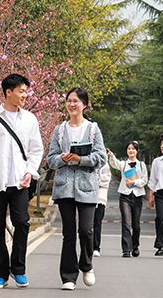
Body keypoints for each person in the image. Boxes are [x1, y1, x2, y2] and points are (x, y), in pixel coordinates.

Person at [0, 74, 44, 289]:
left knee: (22, 223)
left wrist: (30, 171)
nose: (25, 95)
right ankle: (1, 274)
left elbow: (36, 148)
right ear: (8, 92)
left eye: (26, 91)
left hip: (20, 181)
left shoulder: (30, 119)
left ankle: (19, 269)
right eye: (21, 91)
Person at [46, 88, 106, 291]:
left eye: (76, 101)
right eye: (69, 101)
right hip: (64, 188)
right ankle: (68, 276)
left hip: (87, 187)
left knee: (86, 231)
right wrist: (62, 158)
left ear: (85, 105)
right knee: (69, 233)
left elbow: (101, 157)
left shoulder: (93, 129)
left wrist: (81, 159)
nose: (72, 104)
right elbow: (50, 159)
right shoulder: (59, 130)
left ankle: (87, 265)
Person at [107, 141, 147, 258]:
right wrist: (111, 156)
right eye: (129, 149)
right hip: (125, 196)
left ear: (137, 151)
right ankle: (126, 249)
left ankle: (135, 246)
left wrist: (134, 182)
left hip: (138, 196)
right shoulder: (124, 164)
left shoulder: (141, 165)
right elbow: (115, 164)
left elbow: (145, 180)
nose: (131, 151)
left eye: (133, 149)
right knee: (126, 222)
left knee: (136, 224)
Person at [92, 149, 113, 257]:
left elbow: (106, 179)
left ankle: (96, 247)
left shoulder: (105, 165)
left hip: (100, 197)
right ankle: (87, 246)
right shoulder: (89, 162)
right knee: (87, 224)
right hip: (88, 197)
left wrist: (94, 181)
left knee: (97, 222)